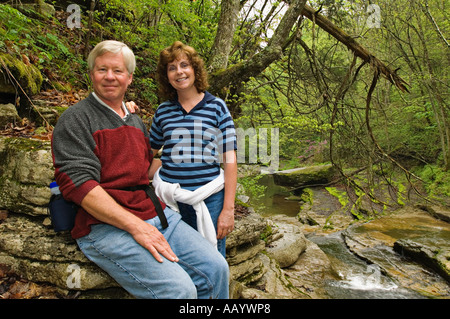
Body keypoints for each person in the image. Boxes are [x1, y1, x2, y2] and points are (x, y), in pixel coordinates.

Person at [51, 40, 229, 299]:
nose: (110, 77)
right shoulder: (75, 119)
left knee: (217, 268)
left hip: (156, 215)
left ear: (129, 78)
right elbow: (79, 184)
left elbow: (144, 166)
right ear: (91, 74)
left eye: (118, 71)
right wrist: (136, 226)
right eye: (102, 70)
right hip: (106, 226)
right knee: (179, 290)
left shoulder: (134, 120)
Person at [147, 41, 238, 257]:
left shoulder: (217, 108)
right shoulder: (163, 111)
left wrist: (228, 209)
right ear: (166, 76)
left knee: (213, 260)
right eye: (172, 68)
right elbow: (147, 156)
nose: (179, 72)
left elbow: (230, 162)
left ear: (195, 69)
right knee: (176, 258)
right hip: (170, 201)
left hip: (211, 200)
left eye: (184, 65)